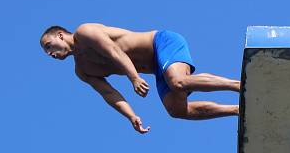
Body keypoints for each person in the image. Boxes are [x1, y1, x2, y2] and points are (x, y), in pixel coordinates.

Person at [40, 23, 239, 133]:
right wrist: (131, 116)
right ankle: (238, 110)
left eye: (49, 46)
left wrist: (134, 78)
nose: (50, 53)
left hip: (160, 43)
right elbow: (109, 94)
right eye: (46, 52)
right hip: (156, 68)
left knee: (178, 83)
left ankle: (239, 86)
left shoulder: (85, 33)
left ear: (60, 35)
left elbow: (114, 51)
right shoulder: (83, 71)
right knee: (176, 110)